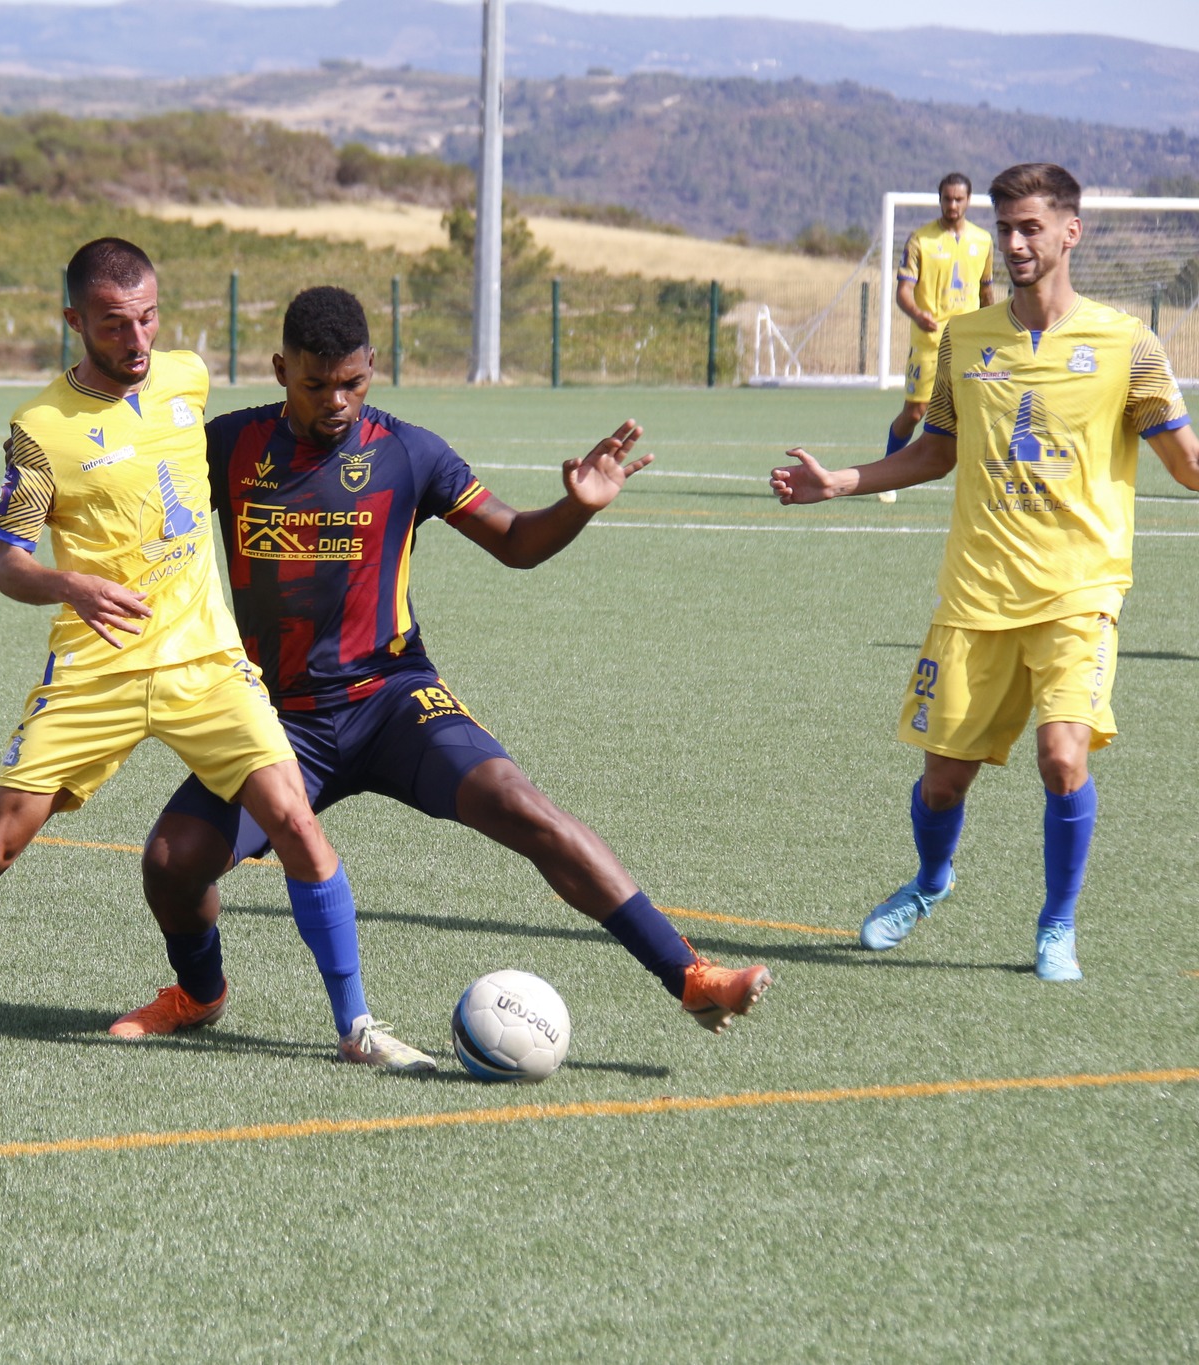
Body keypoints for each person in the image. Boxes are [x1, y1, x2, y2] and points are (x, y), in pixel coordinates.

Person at [0, 241, 439, 1072]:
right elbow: (9, 563)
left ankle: (356, 1025)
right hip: (96, 666)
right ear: (75, 321)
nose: (137, 338)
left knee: (295, 824)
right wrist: (72, 586)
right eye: (113, 323)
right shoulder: (38, 429)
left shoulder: (187, 380)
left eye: (147, 317)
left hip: (205, 659)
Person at [112, 287, 771, 1041]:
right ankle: (199, 994)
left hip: (393, 700)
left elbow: (516, 542)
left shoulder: (408, 451)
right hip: (275, 718)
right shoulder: (228, 445)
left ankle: (689, 974)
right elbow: (138, 495)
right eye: (314, 383)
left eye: (352, 382)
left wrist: (577, 507)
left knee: (526, 807)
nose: (335, 400)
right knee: (171, 861)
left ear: (372, 369)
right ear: (280, 370)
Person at [770, 162, 1199, 981]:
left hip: (1081, 592)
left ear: (1071, 232)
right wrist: (842, 483)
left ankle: (1056, 924)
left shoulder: (1128, 345)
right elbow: (936, 450)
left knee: (1064, 756)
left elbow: (1187, 465)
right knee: (941, 783)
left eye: (1030, 226)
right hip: (976, 593)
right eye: (1005, 228)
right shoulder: (967, 339)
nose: (1013, 242)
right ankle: (932, 880)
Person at [883, 173, 994, 501]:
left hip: (969, 342)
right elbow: (903, 292)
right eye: (947, 199)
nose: (953, 205)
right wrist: (919, 314)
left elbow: (986, 292)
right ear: (940, 199)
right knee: (915, 413)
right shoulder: (920, 240)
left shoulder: (983, 241)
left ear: (969, 201)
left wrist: (995, 327)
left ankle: (982, 485)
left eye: (959, 199)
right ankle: (889, 473)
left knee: (979, 412)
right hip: (930, 344)